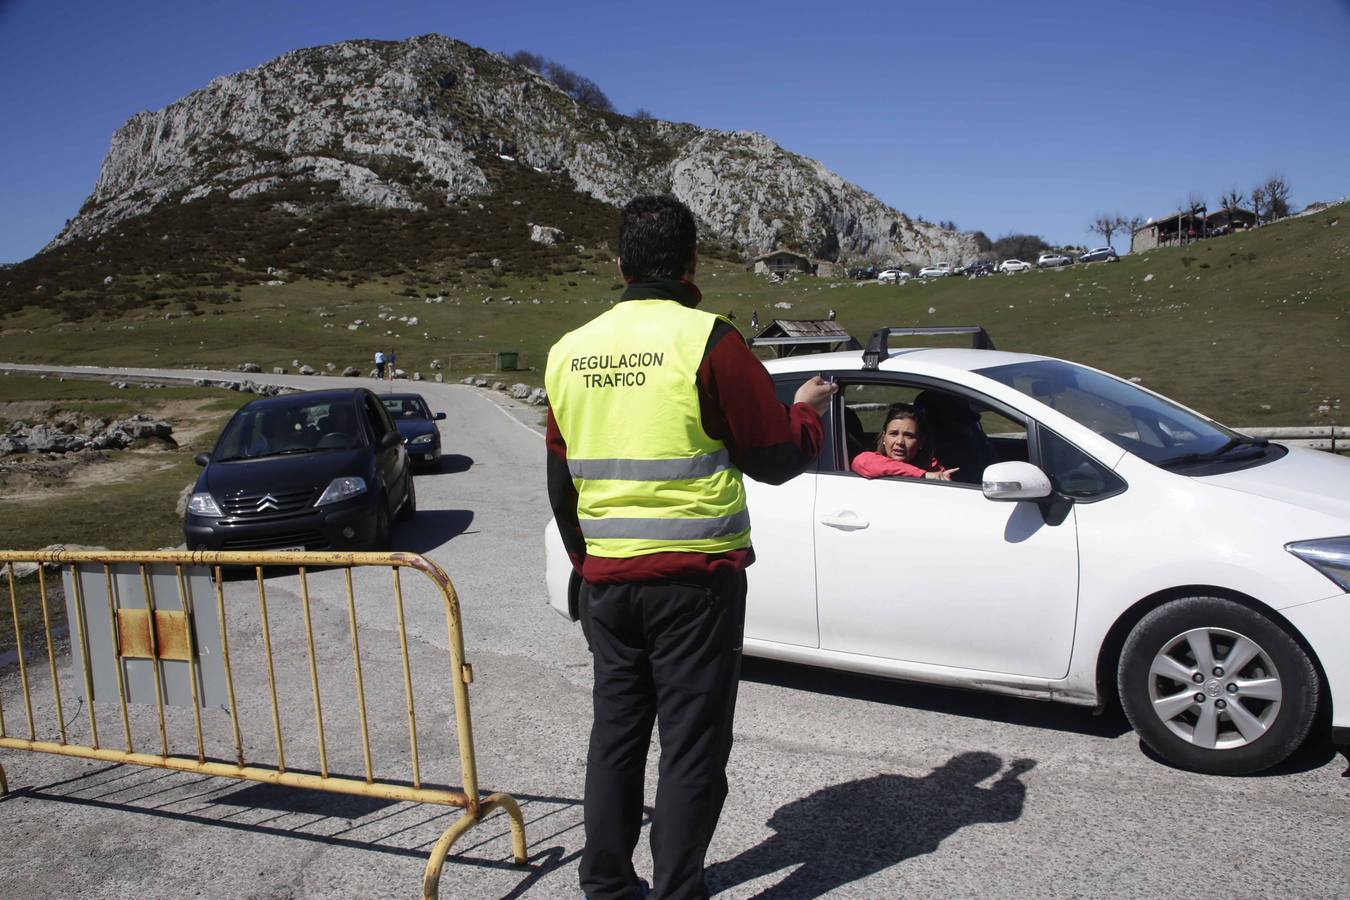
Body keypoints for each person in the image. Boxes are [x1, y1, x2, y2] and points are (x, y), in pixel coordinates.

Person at [545, 195, 835, 900]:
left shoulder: (568, 351)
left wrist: (587, 566)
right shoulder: (709, 340)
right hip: (695, 587)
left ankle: (606, 885)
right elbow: (770, 456)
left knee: (615, 737)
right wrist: (808, 414)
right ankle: (679, 890)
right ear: (693, 262)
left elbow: (561, 484)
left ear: (619, 264)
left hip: (609, 584)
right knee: (691, 745)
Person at [851, 403, 957, 481]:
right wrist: (923, 475)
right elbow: (861, 462)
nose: (900, 442)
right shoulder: (872, 460)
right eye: (893, 434)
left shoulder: (934, 470)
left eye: (909, 435)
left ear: (921, 442)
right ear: (884, 437)